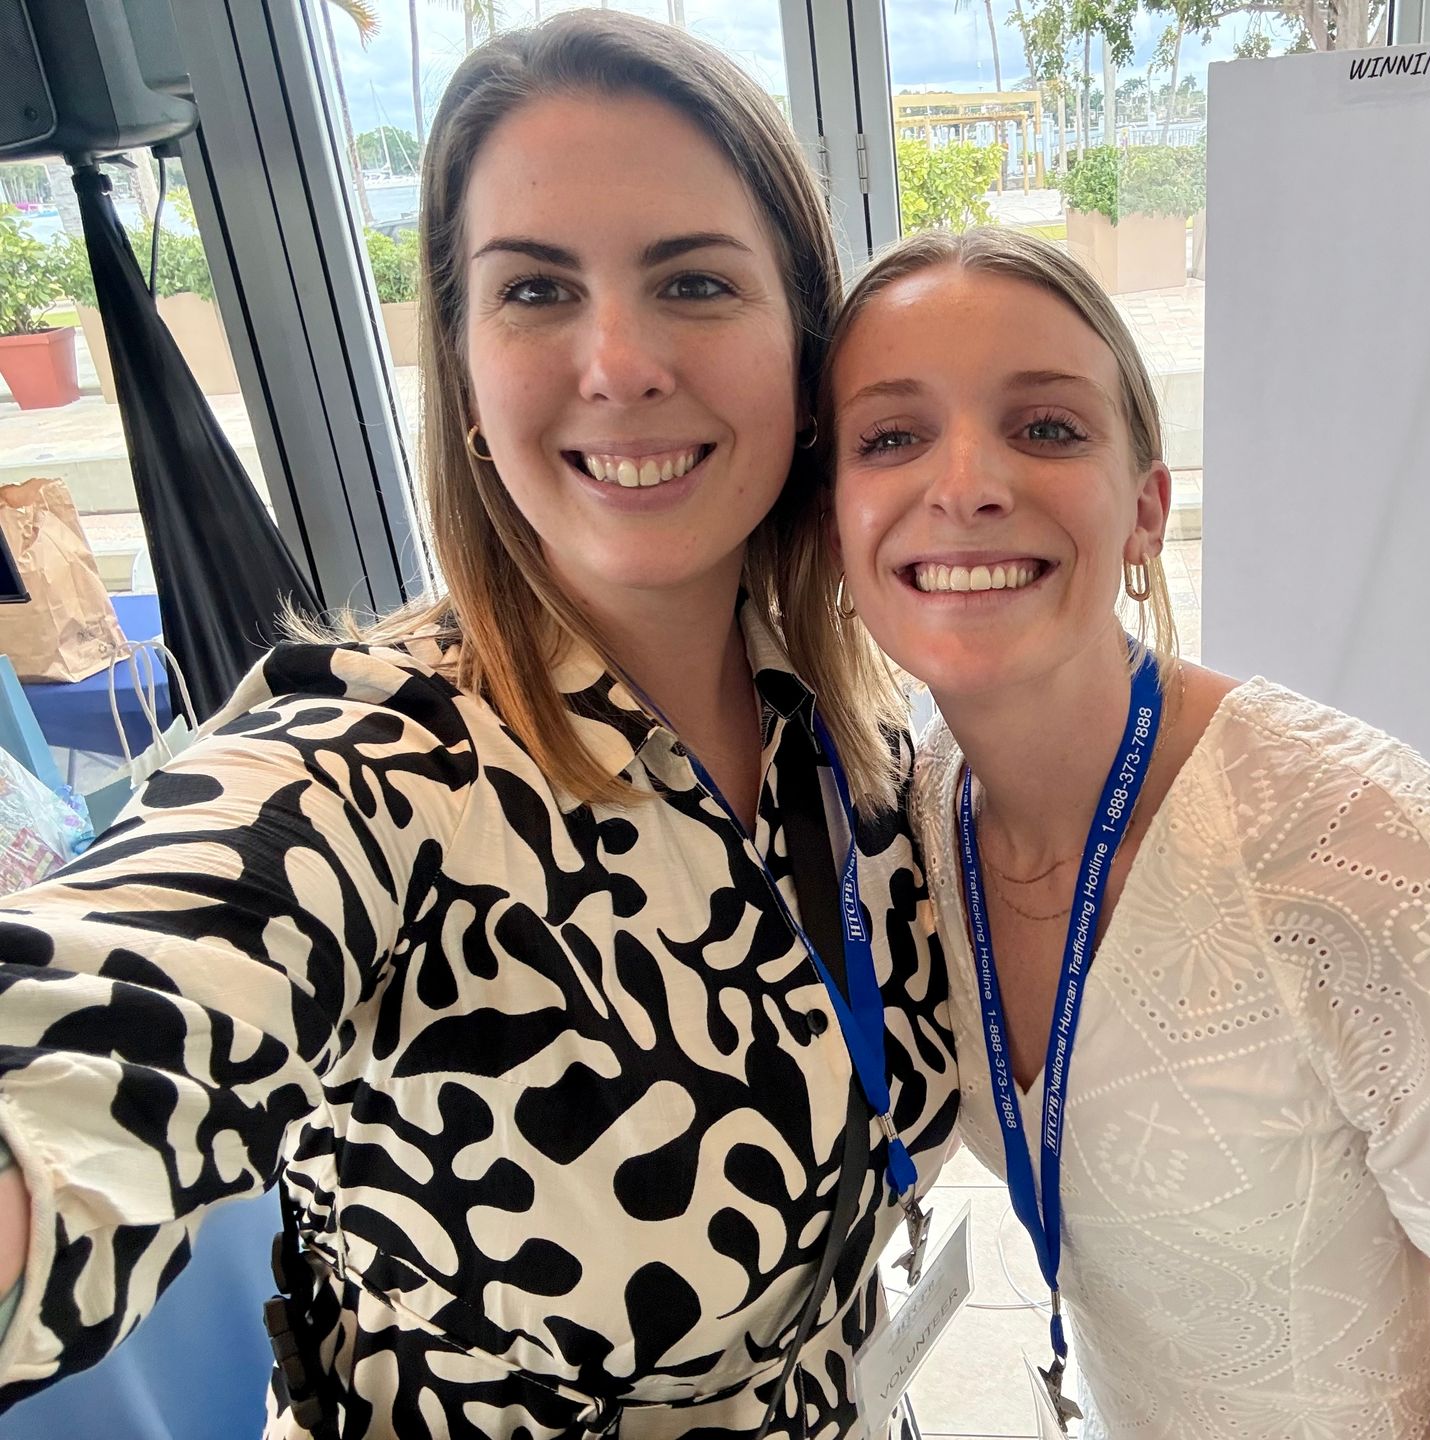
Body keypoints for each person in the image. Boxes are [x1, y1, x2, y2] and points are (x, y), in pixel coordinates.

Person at [0, 14, 957, 1438]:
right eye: (536, 290)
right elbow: (123, 994)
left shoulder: (852, 733)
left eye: (694, 281)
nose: (618, 362)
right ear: (462, 373)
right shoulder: (371, 768)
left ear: (803, 357)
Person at [827, 226, 1430, 1440]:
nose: (967, 484)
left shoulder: (1373, 863)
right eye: (891, 437)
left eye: (1047, 427)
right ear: (832, 523)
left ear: (1145, 511)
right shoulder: (906, 818)